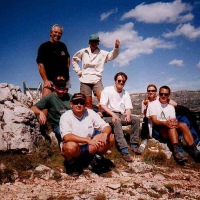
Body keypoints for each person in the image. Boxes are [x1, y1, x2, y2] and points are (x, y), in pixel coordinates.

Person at [60, 93, 114, 175]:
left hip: (88, 147)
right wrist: (87, 140)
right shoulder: (65, 116)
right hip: (75, 147)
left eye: (82, 103)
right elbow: (66, 137)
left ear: (85, 105)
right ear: (71, 104)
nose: (79, 105)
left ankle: (95, 161)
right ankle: (72, 165)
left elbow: (106, 126)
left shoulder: (90, 113)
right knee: (70, 146)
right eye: (76, 102)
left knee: (110, 137)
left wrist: (105, 134)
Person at [146, 85, 200, 163]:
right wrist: (166, 123)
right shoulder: (152, 105)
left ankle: (194, 150)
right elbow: (154, 120)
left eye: (166, 94)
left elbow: (173, 119)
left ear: (169, 95)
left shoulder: (170, 107)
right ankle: (177, 151)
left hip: (169, 128)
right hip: (158, 130)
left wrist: (174, 123)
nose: (163, 96)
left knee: (183, 125)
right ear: (159, 94)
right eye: (161, 94)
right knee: (171, 127)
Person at [100, 72, 140, 162]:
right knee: (117, 121)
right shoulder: (107, 90)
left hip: (120, 114)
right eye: (119, 80)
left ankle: (134, 144)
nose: (121, 82)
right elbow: (103, 105)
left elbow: (128, 107)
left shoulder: (126, 93)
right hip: (108, 115)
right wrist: (113, 115)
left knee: (136, 119)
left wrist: (128, 115)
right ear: (115, 81)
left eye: (123, 81)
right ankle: (124, 150)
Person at [72, 34, 120, 109]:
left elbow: (111, 56)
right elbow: (74, 59)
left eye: (96, 42)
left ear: (98, 43)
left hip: (97, 79)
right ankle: (89, 119)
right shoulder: (83, 51)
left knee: (103, 101)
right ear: (89, 42)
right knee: (87, 103)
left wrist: (116, 48)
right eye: (92, 42)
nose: (94, 43)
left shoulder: (102, 53)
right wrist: (78, 71)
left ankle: (100, 117)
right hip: (85, 80)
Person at [31, 76, 72, 144]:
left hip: (71, 123)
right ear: (54, 86)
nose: (61, 87)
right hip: (58, 125)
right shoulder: (50, 97)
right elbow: (33, 108)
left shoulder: (69, 97)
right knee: (67, 137)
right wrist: (40, 113)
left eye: (63, 85)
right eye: (59, 85)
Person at [37, 24, 70, 97]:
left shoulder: (63, 46)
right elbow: (40, 65)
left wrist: (66, 72)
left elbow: (68, 59)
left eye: (60, 33)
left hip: (64, 80)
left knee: (62, 102)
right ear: (50, 33)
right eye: (55, 32)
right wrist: (45, 80)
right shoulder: (44, 47)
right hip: (50, 80)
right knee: (45, 103)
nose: (57, 34)